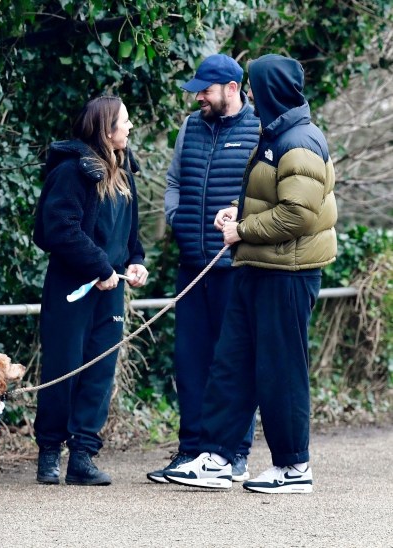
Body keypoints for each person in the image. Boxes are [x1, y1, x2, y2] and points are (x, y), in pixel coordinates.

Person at [163, 54, 337, 493]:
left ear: (272, 89)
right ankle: (218, 457)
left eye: (256, 86)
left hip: (289, 273)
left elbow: (298, 214)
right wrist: (236, 213)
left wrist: (241, 229)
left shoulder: (300, 140)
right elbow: (270, 199)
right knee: (232, 364)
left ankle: (294, 466)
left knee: (281, 371)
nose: (252, 95)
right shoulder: (274, 134)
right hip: (257, 266)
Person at [146, 54, 260, 484]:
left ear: (232, 89)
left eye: (205, 91)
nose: (198, 98)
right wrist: (177, 217)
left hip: (236, 267)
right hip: (192, 266)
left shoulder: (258, 130)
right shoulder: (191, 127)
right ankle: (192, 451)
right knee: (190, 362)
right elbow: (175, 181)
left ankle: (233, 453)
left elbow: (266, 194)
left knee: (230, 362)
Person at [33, 95, 148, 486]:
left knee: (100, 371)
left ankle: (82, 455)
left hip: (111, 288)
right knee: (63, 367)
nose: (130, 128)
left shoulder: (125, 171)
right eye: (125, 122)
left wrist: (136, 259)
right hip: (72, 286)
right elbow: (58, 230)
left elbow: (130, 232)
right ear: (105, 128)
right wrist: (99, 267)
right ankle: (49, 451)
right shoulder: (71, 171)